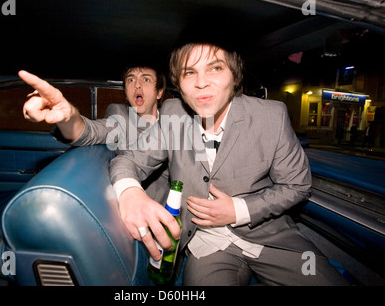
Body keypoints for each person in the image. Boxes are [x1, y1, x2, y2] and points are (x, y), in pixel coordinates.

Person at [109, 39, 349, 285]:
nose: (201, 83)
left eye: (215, 68)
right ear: (178, 84)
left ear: (235, 76)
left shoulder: (271, 116)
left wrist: (239, 210)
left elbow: (297, 185)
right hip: (206, 245)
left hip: (270, 239)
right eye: (189, 72)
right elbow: (128, 160)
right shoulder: (174, 114)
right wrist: (130, 194)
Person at [20, 65, 170, 205]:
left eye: (146, 79)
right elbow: (91, 131)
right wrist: (68, 117)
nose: (137, 84)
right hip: (141, 208)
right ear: (125, 93)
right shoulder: (120, 119)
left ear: (159, 92)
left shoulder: (175, 119)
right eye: (131, 79)